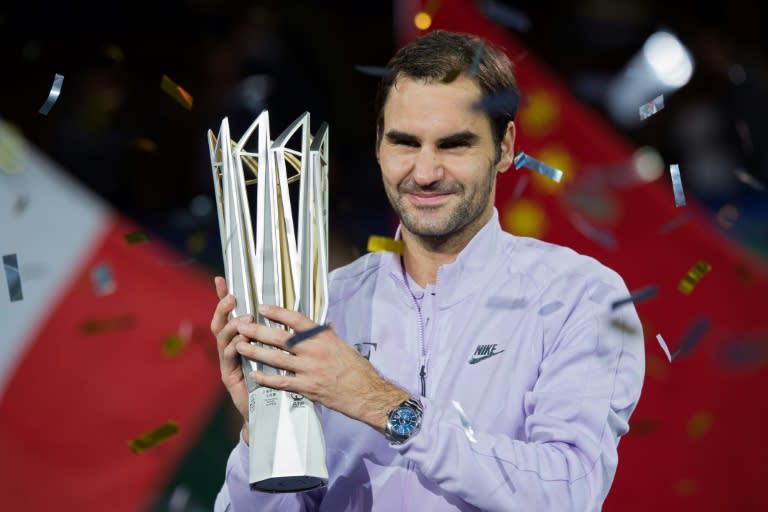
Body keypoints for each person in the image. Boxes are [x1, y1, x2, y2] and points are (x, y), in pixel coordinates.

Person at [211, 30, 644, 511]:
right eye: (404, 143)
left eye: (453, 145)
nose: (423, 172)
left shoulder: (581, 295)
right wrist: (262, 435)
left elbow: (566, 493)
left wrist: (383, 404)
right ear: (378, 145)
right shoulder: (321, 305)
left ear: (504, 148)